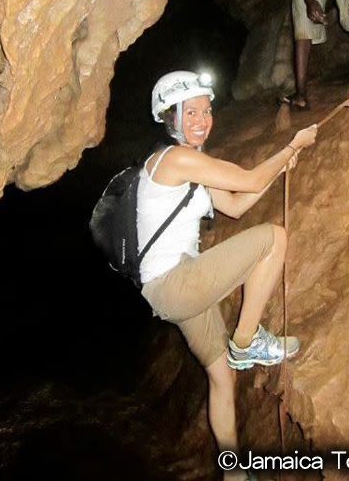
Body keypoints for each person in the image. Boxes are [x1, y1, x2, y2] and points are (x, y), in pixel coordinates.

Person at [138, 70, 318, 481]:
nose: (202, 119)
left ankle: (233, 473)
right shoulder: (177, 158)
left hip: (169, 293)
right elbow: (251, 179)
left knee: (221, 377)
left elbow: (236, 205)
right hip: (176, 282)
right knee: (275, 237)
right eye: (191, 112)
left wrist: (282, 164)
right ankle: (247, 339)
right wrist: (292, 143)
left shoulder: (188, 166)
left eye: (206, 110)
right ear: (170, 117)